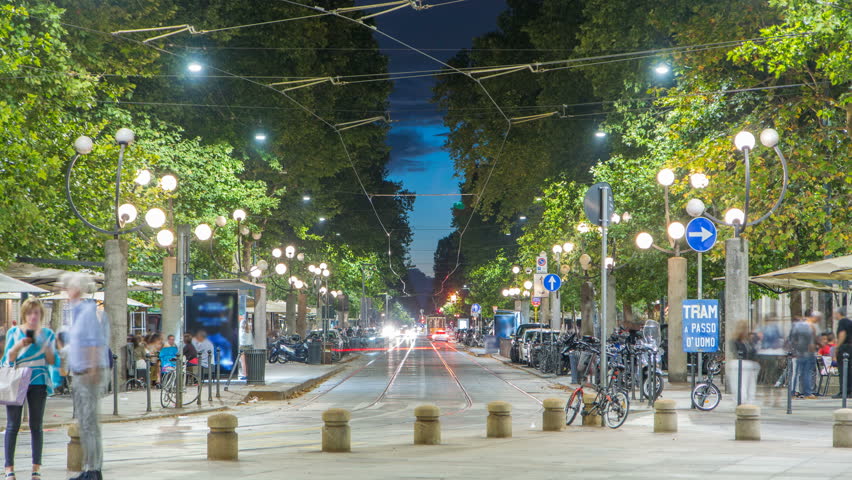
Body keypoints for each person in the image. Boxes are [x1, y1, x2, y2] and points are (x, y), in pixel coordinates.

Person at [62, 272, 109, 480]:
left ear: (77, 289)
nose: (66, 291)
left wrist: (91, 370)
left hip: (88, 374)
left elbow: (93, 342)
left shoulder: (87, 311)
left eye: (68, 287)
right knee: (86, 422)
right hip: (80, 373)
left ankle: (93, 469)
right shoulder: (76, 312)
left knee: (89, 423)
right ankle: (90, 468)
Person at [2, 298, 56, 480]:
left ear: (41, 314)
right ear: (24, 314)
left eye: (37, 313)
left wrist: (46, 346)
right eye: (30, 313)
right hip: (17, 380)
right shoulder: (14, 332)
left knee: (36, 425)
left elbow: (51, 361)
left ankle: (36, 468)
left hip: (38, 381)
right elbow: (8, 359)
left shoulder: (47, 333)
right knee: (12, 425)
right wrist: (19, 345)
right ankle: (9, 468)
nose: (33, 316)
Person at [727, 321, 760, 404]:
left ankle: (745, 403)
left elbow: (752, 352)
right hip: (741, 365)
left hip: (748, 365)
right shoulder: (736, 341)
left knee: (747, 387)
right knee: (743, 387)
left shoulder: (748, 340)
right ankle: (742, 403)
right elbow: (739, 353)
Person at [790, 314, 817, 399]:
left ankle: (800, 392)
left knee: (802, 373)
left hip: (802, 354)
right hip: (799, 354)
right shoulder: (801, 329)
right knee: (799, 373)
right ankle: (797, 392)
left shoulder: (802, 329)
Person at [834, 307, 852, 398]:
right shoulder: (849, 322)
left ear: (839, 314)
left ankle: (843, 391)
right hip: (850, 347)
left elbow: (842, 334)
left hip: (844, 347)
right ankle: (849, 391)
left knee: (843, 369)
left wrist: (837, 347)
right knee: (849, 370)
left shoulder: (842, 322)